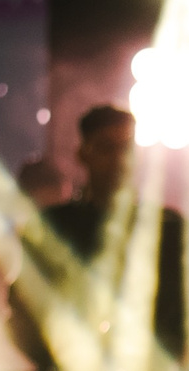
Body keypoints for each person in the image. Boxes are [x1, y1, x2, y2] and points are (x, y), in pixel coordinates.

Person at [40, 103, 134, 259]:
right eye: (106, 148)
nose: (119, 160)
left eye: (126, 148)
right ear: (83, 154)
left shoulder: (168, 227)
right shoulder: (54, 225)